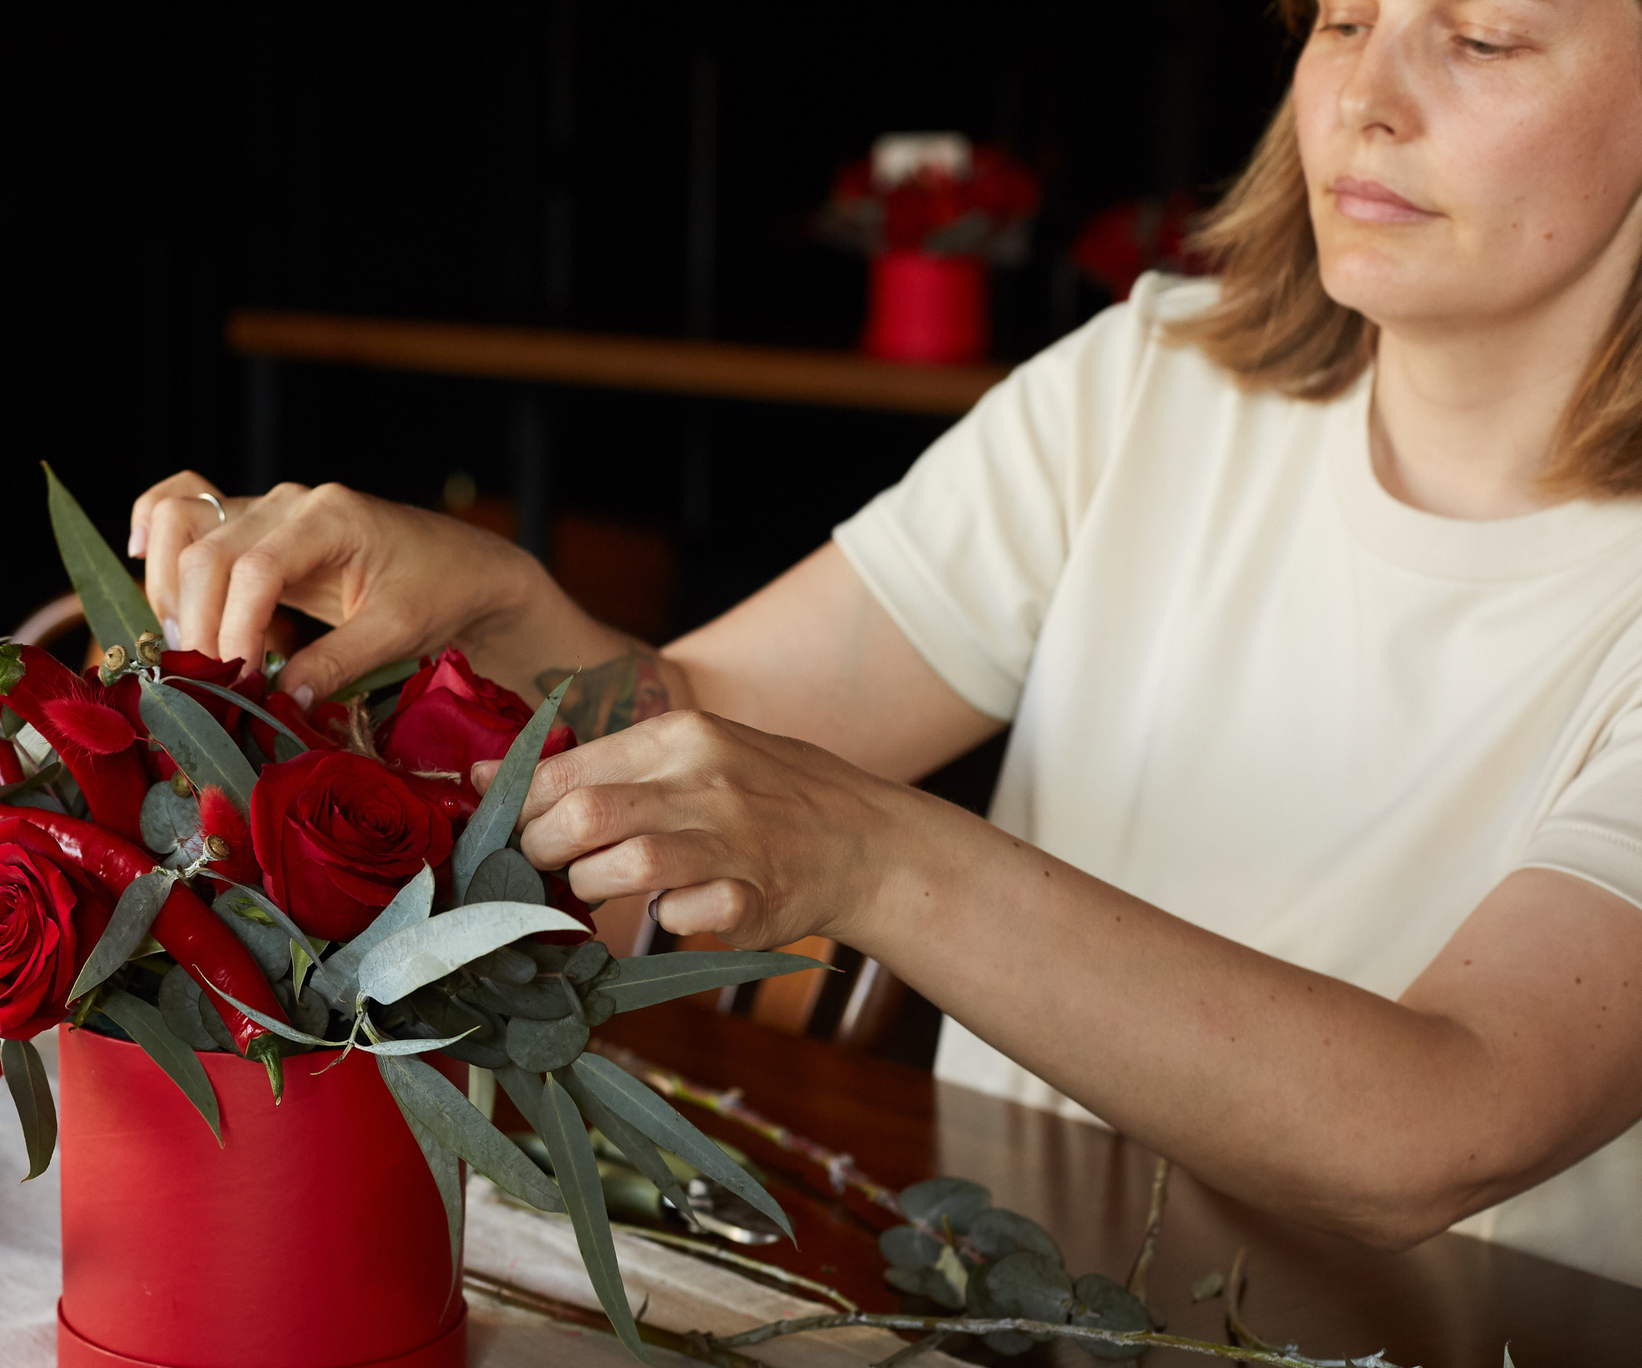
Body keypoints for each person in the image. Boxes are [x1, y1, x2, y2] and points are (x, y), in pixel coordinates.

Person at [125, 0, 1642, 1288]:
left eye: (1487, 38)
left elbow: (1448, 1118)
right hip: (1019, 1326)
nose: (1363, 99)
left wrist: (883, 859)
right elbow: (717, 716)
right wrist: (500, 605)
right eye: (1341, 17)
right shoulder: (1152, 385)